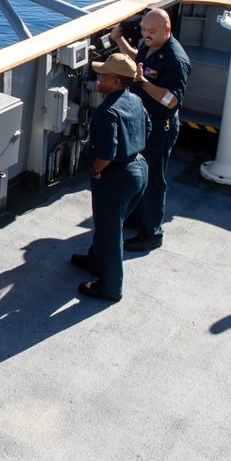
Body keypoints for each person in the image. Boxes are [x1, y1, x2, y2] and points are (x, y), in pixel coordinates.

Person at [72, 54, 150, 303]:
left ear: (116, 81)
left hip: (116, 177)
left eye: (103, 75)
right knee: (108, 226)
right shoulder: (135, 100)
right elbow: (147, 127)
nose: (98, 77)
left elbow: (107, 152)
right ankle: (96, 261)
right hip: (138, 168)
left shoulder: (107, 111)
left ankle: (109, 287)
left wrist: (96, 169)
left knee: (111, 231)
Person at [111, 8, 190, 251]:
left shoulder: (175, 60)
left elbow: (172, 101)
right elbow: (138, 61)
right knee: (138, 173)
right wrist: (119, 40)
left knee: (153, 179)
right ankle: (137, 217)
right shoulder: (150, 44)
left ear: (168, 31)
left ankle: (151, 233)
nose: (145, 34)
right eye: (144, 29)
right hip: (142, 123)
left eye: (151, 31)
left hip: (159, 127)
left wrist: (143, 83)